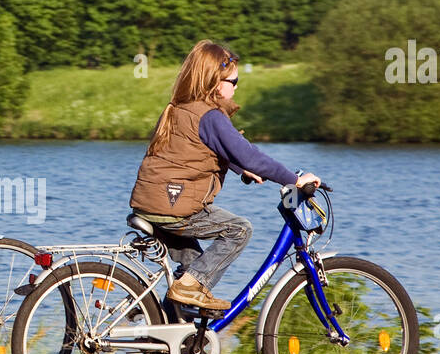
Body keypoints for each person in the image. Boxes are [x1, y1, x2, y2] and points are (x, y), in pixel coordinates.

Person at [129, 40, 320, 310]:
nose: (237, 86)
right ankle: (187, 289)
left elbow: (195, 151)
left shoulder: (180, 108)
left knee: (194, 268)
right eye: (234, 80)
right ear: (216, 83)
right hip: (174, 208)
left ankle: (171, 331)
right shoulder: (210, 117)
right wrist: (294, 179)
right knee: (238, 230)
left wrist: (240, 169)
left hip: (151, 203)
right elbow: (249, 154)